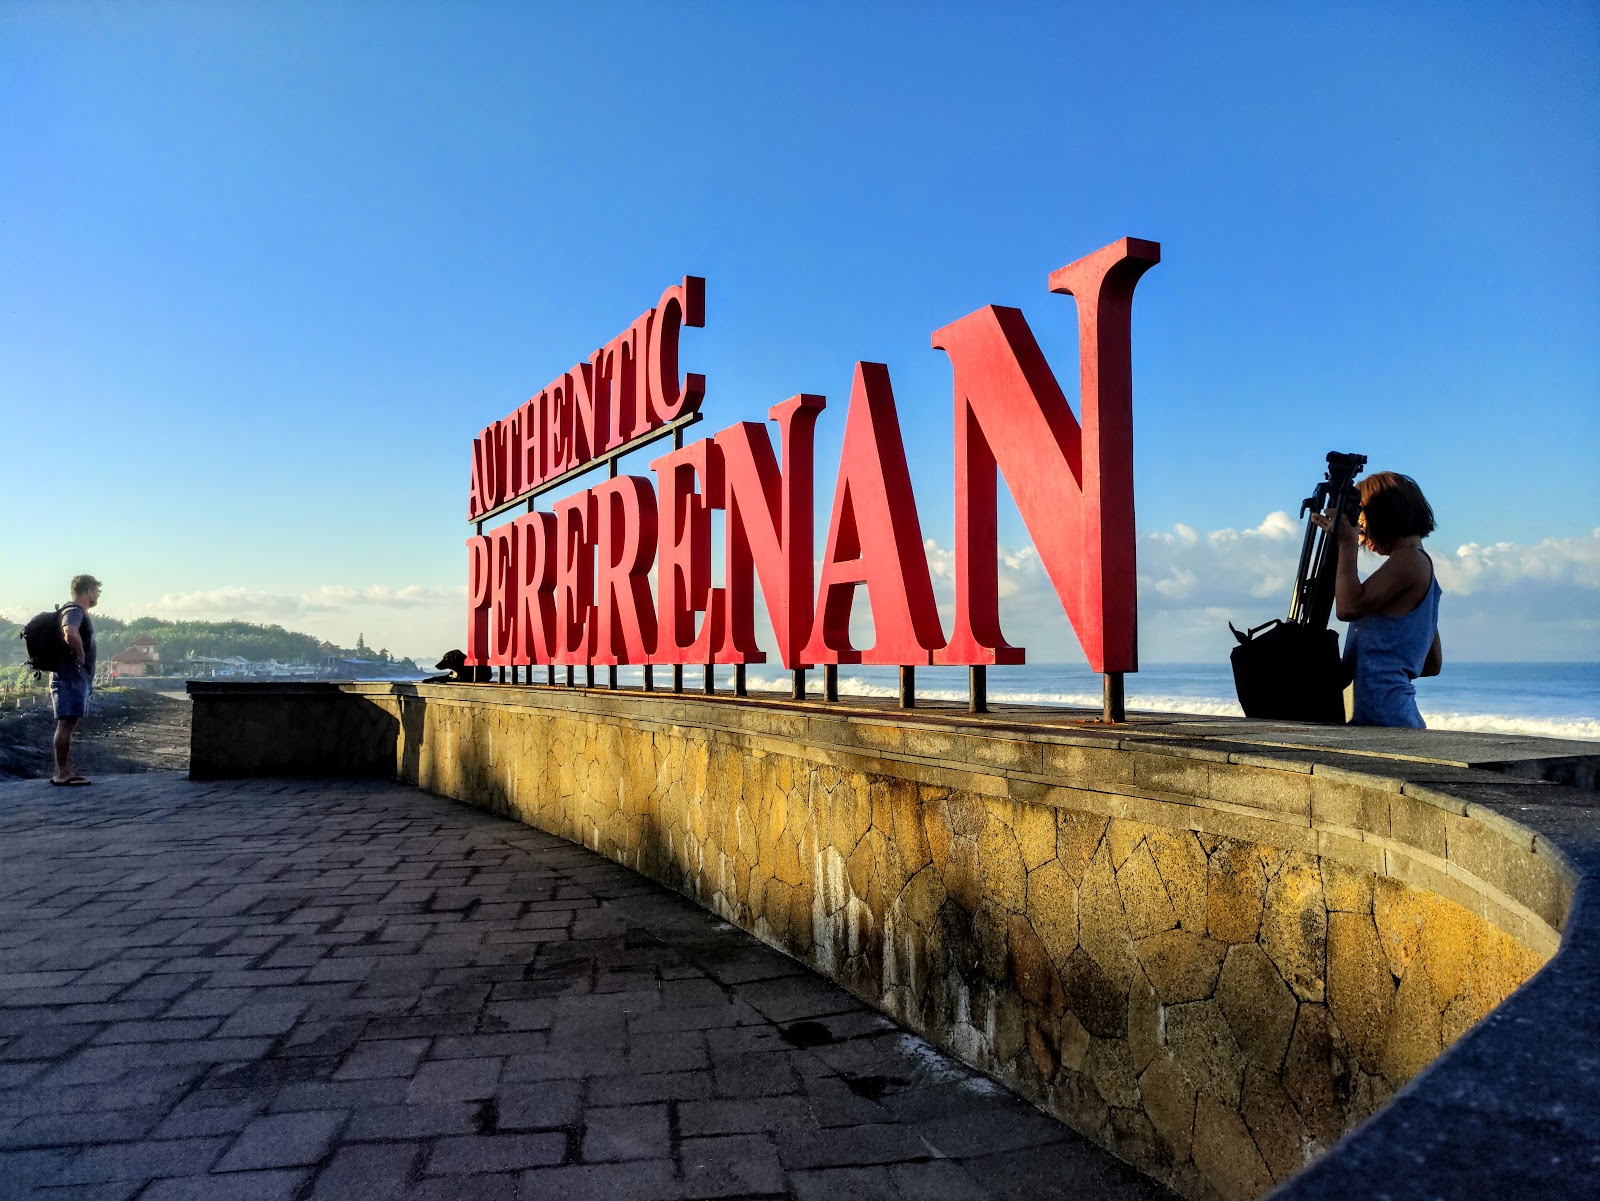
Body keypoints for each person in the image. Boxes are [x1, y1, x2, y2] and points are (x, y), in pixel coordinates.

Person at [1312, 473, 1443, 728]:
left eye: (1361, 521)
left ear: (1385, 515)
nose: (1359, 533)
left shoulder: (1410, 560)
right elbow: (1431, 662)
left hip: (1387, 719)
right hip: (1392, 716)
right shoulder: (1419, 568)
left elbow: (1349, 607)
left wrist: (1345, 543)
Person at [50, 574, 102, 785]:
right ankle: (62, 774)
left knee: (68, 723)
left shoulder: (75, 611)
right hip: (70, 677)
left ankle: (63, 772)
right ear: (88, 591)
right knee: (66, 723)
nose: (98, 594)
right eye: (97, 590)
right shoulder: (73, 610)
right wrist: (80, 655)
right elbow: (69, 632)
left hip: (72, 677)